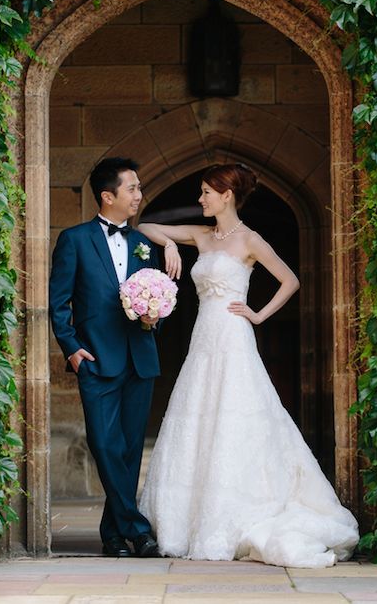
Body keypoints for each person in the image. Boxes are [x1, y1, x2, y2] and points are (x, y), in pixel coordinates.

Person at [138, 163, 359, 569]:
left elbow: (290, 280)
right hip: (203, 338)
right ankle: (187, 520)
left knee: (237, 414)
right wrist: (169, 245)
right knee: (197, 415)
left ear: (226, 196)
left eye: (206, 192)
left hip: (233, 335)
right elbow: (145, 226)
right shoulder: (201, 235)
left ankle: (238, 508)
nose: (201, 199)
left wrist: (258, 315)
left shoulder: (250, 240)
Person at [49, 157, 179, 558]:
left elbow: (155, 295)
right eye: (132, 188)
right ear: (108, 196)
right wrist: (72, 349)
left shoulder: (143, 243)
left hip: (140, 357)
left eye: (139, 188)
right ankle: (137, 530)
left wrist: (155, 318)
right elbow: (58, 302)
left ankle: (113, 536)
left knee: (128, 449)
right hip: (95, 358)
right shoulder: (74, 240)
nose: (139, 195)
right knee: (104, 443)